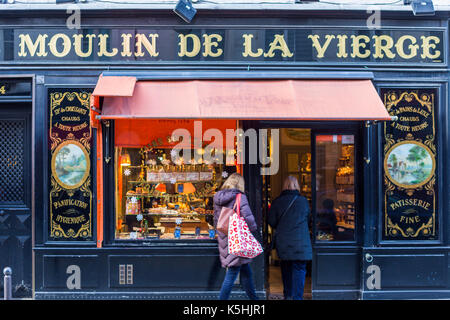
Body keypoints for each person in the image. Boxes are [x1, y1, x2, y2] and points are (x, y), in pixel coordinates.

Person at [213, 173, 259, 300]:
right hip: (237, 238)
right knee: (232, 274)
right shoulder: (240, 197)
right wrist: (254, 229)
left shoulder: (217, 197)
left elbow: (216, 220)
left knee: (246, 272)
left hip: (225, 237)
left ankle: (254, 299)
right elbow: (248, 217)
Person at [268, 175, 312, 300]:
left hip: (284, 241)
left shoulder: (277, 201)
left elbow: (271, 221)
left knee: (286, 268)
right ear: (296, 185)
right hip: (301, 241)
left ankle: (288, 294)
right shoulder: (303, 201)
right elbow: (308, 219)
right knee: (299, 269)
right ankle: (297, 297)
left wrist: (282, 226)